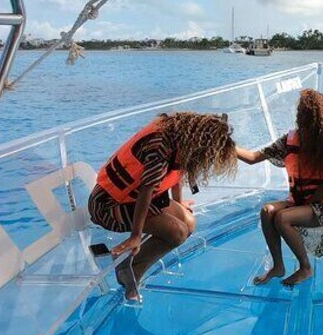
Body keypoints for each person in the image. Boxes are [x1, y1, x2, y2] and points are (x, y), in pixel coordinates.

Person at [88, 112, 237, 301]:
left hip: (136, 200)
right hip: (109, 206)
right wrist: (135, 236)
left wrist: (179, 202)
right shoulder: (158, 146)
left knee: (189, 222)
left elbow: (177, 171)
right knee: (178, 232)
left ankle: (134, 262)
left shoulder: (181, 139)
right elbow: (146, 189)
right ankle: (130, 269)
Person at [236, 89, 323, 287]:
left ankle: (305, 268)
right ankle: (278, 266)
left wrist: (306, 202)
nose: (300, 117)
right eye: (300, 113)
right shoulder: (289, 140)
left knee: (283, 218)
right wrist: (226, 144)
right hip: (299, 203)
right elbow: (252, 158)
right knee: (267, 211)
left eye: (304, 114)